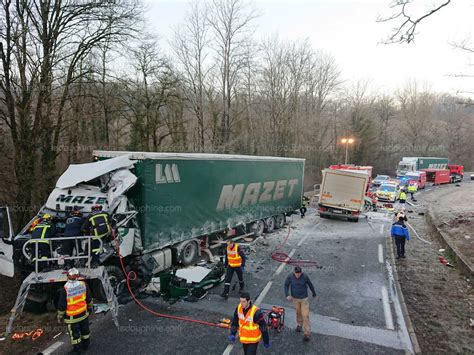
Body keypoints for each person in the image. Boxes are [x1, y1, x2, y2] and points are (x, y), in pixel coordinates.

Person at [57, 268, 93, 354]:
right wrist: (89, 308)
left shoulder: (65, 289)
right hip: (84, 314)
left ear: (67, 277)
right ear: (78, 276)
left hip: (72, 318)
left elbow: (62, 306)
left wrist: (59, 316)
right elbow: (89, 299)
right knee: (85, 331)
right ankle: (86, 345)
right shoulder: (84, 284)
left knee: (75, 335)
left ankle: (77, 350)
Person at [284, 266, 316, 341]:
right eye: (296, 274)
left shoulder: (305, 276)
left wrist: (313, 292)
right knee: (298, 313)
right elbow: (286, 285)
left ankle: (307, 333)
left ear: (301, 272)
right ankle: (299, 324)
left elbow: (310, 284)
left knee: (305, 315)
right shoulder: (290, 276)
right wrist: (287, 294)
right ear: (294, 272)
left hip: (304, 299)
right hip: (295, 299)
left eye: (299, 274)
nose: (297, 275)